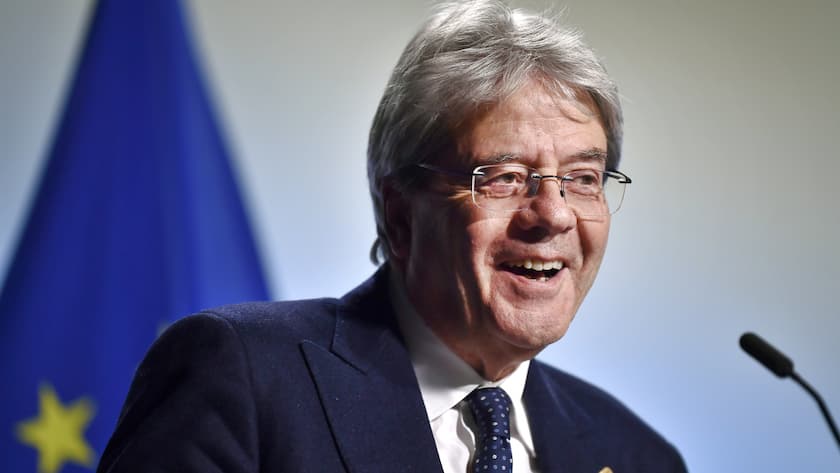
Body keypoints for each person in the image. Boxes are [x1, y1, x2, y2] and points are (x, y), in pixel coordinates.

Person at [98, 1, 687, 472]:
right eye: (506, 177)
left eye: (583, 178)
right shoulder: (243, 380)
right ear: (401, 214)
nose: (554, 215)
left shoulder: (638, 456)